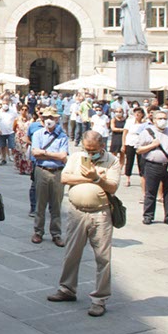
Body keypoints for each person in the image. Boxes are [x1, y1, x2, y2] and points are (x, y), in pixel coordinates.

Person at [47, 130, 119, 316]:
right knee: (71, 253)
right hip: (77, 212)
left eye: (93, 149)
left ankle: (100, 298)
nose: (90, 153)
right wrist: (88, 178)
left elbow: (112, 187)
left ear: (102, 146)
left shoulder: (112, 160)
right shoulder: (77, 157)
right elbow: (64, 178)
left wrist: (97, 178)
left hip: (100, 213)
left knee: (103, 257)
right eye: (87, 149)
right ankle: (67, 289)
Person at [136, 110, 168, 226]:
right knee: (150, 191)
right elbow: (139, 149)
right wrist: (152, 145)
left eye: (164, 118)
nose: (162, 121)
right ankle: (148, 215)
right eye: (160, 118)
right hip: (152, 165)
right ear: (154, 120)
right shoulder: (147, 132)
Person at [31, 107, 70, 246]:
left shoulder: (62, 136)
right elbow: (35, 153)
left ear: (57, 119)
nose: (49, 120)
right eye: (46, 117)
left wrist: (44, 152)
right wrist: (53, 155)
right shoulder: (38, 134)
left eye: (52, 117)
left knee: (56, 204)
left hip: (58, 171)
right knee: (40, 203)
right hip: (42, 170)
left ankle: (56, 233)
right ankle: (38, 231)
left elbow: (63, 156)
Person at [121, 107, 145, 187]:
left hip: (140, 143)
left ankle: (142, 179)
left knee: (141, 162)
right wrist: (123, 144)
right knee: (129, 161)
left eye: (139, 113)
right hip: (130, 141)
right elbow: (125, 133)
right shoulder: (129, 122)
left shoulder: (144, 124)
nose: (137, 114)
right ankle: (127, 179)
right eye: (136, 113)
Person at [0, 99, 17, 166]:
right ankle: (3, 159)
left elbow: (17, 119)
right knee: (2, 146)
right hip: (2, 132)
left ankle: (14, 158)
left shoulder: (13, 112)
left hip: (11, 132)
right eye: (4, 103)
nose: (5, 105)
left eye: (7, 103)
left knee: (12, 146)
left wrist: (15, 128)